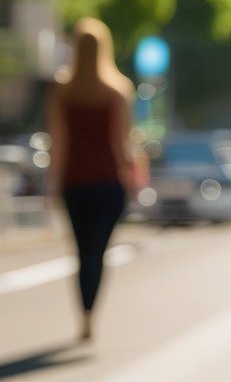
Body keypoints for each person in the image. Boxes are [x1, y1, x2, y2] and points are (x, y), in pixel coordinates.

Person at [46, 17, 137, 343]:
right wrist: (135, 176)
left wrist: (53, 185)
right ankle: (90, 317)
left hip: (75, 183)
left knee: (82, 252)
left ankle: (84, 318)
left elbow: (58, 143)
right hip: (108, 184)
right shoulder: (117, 90)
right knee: (97, 252)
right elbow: (122, 142)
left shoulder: (63, 92)